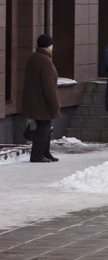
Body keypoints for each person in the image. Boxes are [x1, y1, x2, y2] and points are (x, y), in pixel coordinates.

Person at [22, 34, 61, 163]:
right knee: (43, 128)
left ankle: (45, 153)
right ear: (48, 46)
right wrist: (55, 104)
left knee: (44, 127)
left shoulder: (33, 58)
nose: (52, 47)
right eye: (51, 44)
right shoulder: (44, 61)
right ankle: (37, 155)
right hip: (42, 102)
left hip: (34, 100)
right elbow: (48, 86)